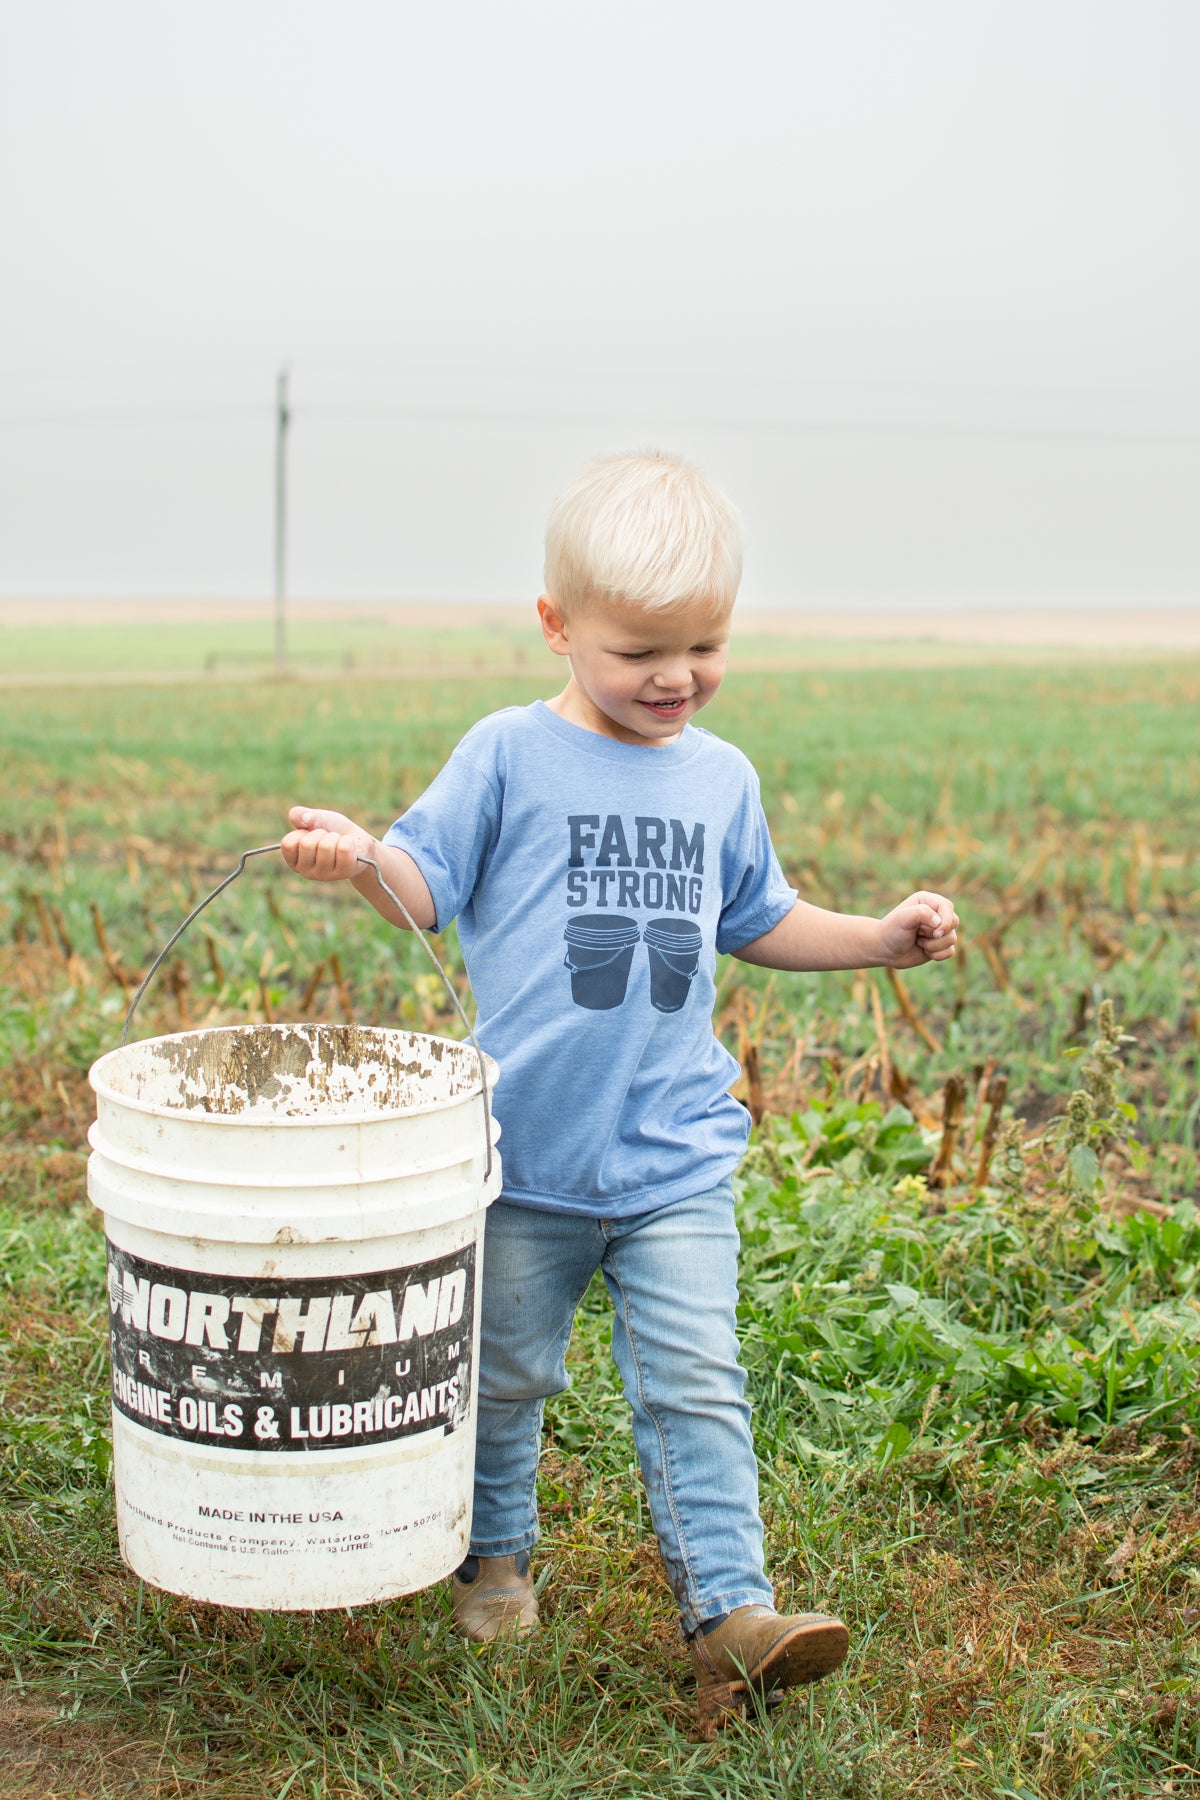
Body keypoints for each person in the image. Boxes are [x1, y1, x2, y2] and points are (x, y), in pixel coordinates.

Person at [280, 451, 959, 1731]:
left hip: (674, 1161)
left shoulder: (721, 778)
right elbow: (422, 890)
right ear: (557, 626)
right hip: (526, 1159)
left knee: (698, 1378)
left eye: (704, 645)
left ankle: (733, 1617)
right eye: (641, 649)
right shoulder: (506, 755)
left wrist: (877, 934)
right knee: (505, 1377)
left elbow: (761, 917)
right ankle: (496, 1561)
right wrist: (363, 858)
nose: (676, 678)